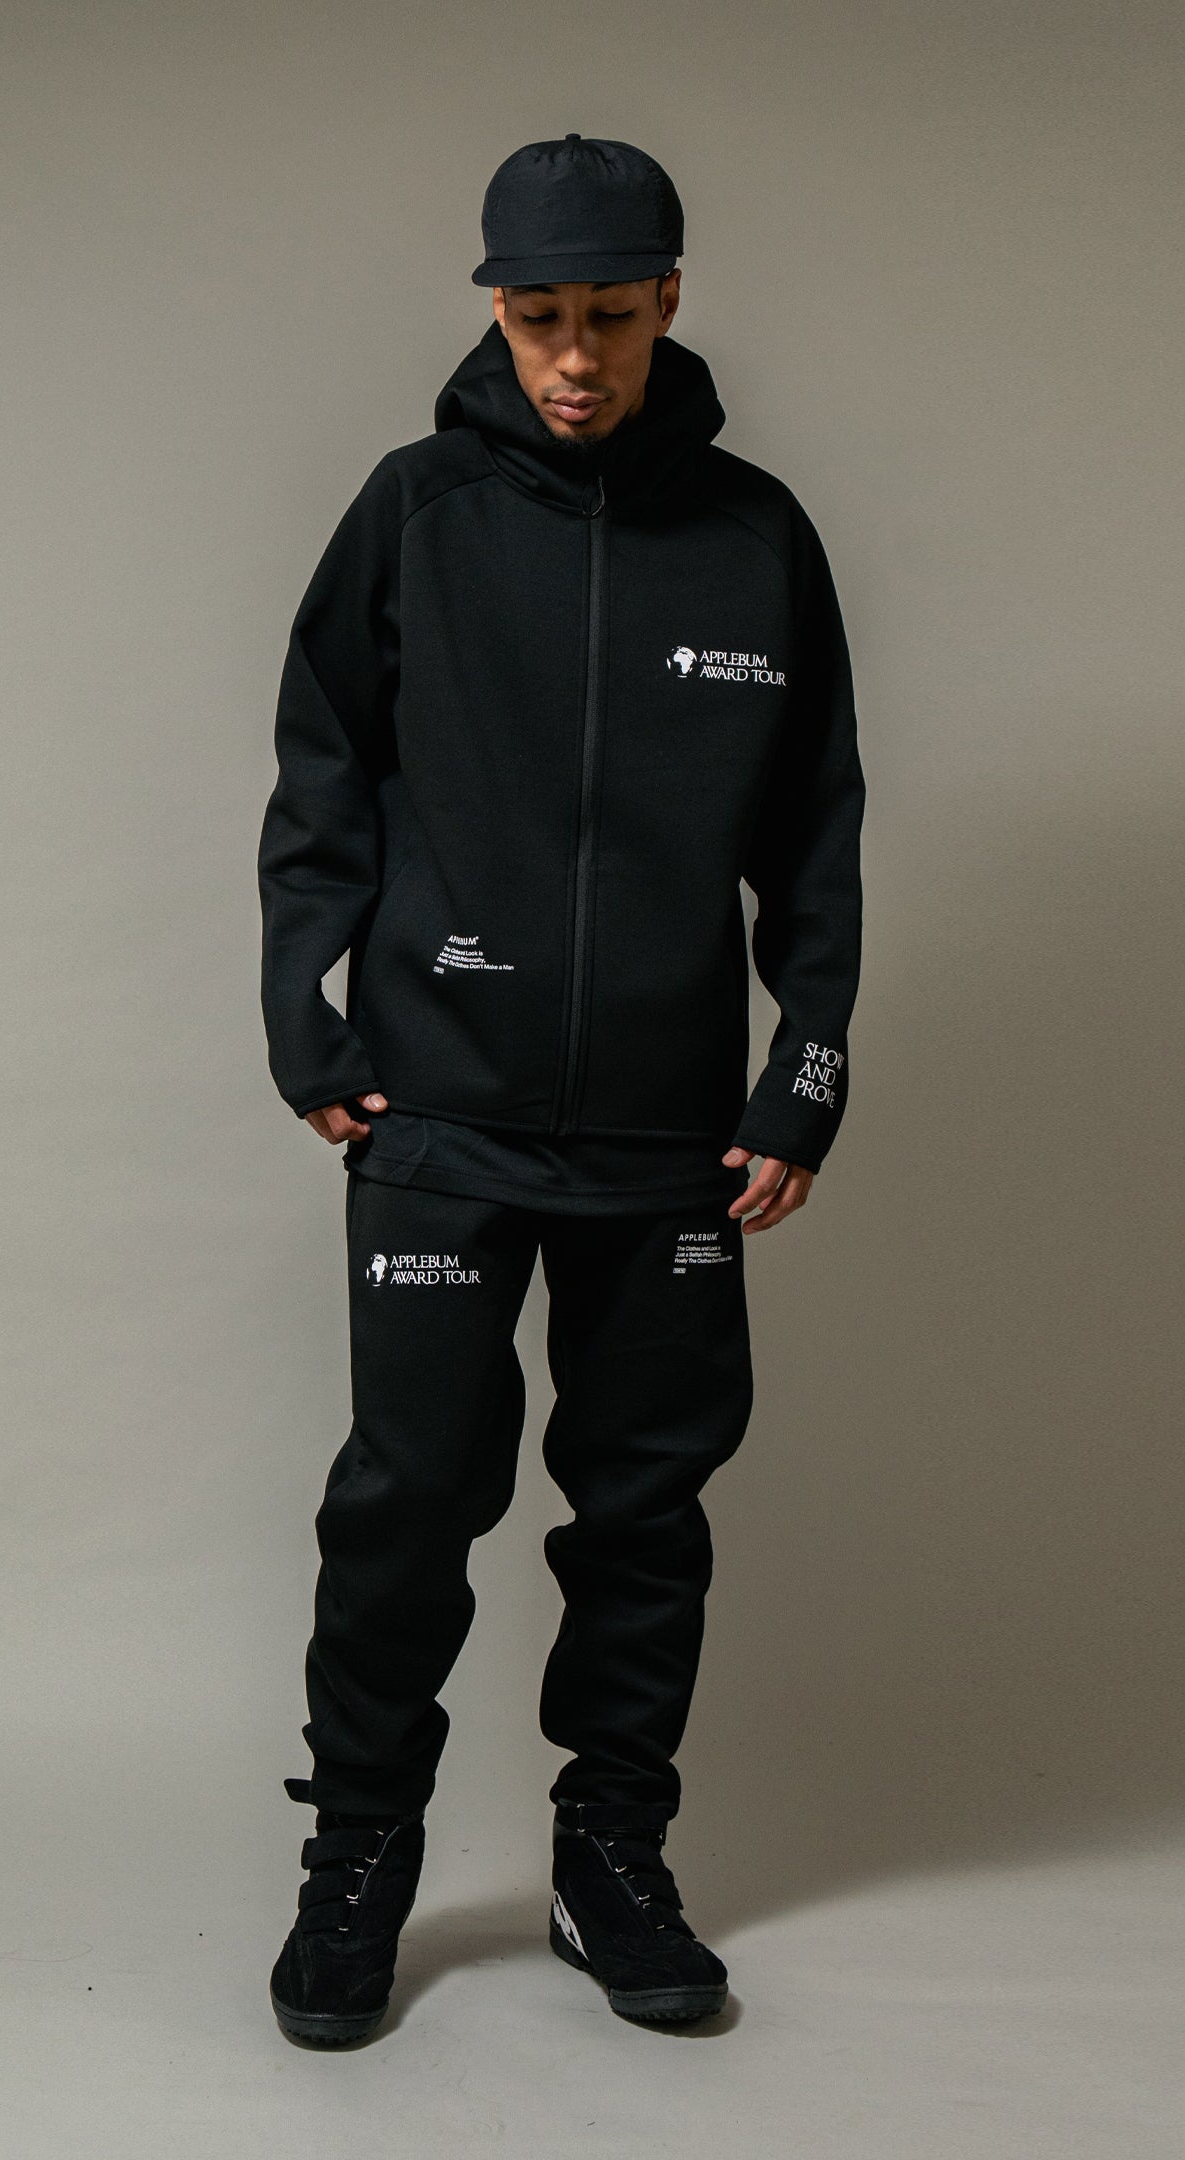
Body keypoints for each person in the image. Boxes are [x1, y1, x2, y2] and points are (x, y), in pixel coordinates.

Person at [256, 132, 864, 2044]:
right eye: (538, 319)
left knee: (644, 1515)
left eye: (609, 314)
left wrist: (805, 1072)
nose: (576, 358)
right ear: (496, 312)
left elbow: (817, 829)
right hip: (438, 1111)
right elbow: (322, 771)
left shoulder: (757, 537)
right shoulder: (416, 512)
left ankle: (614, 1859)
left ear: (670, 298)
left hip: (671, 1134)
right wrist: (303, 1012)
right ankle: (359, 1858)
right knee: (405, 1499)